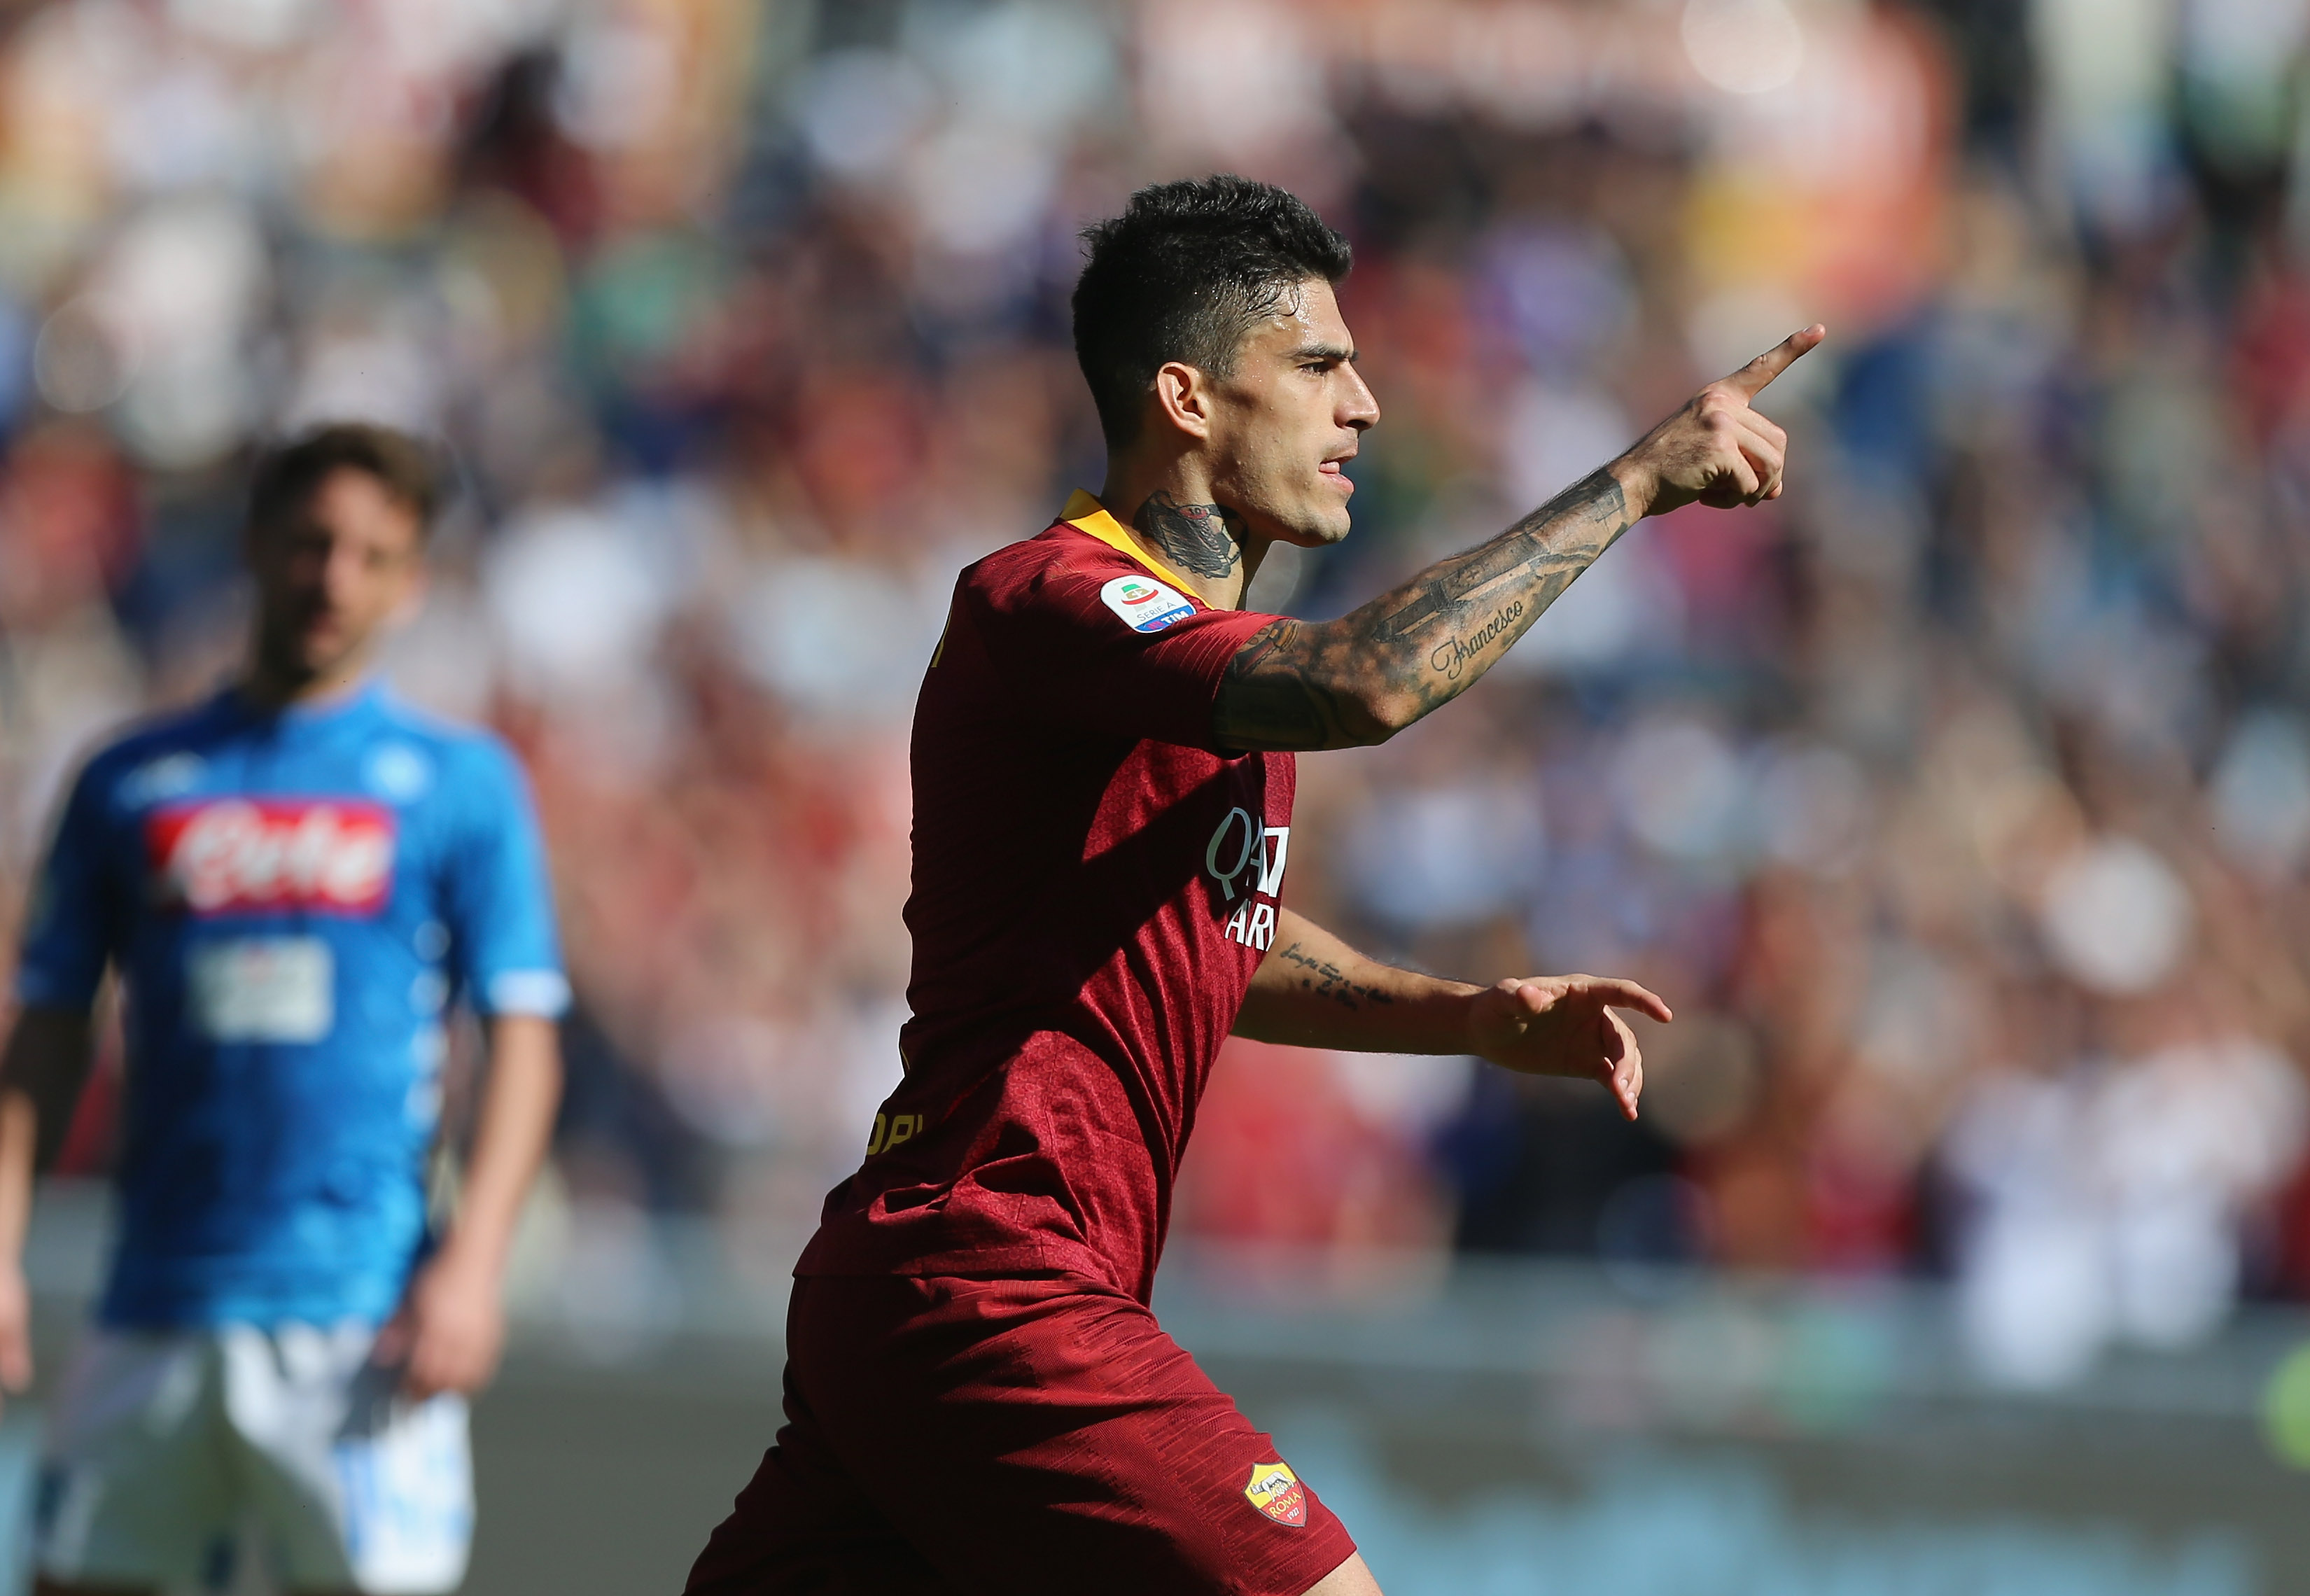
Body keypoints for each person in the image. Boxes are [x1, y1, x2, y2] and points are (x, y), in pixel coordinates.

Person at [685, 174, 1819, 1596]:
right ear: (1188, 396)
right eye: (1320, 366)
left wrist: (1465, 1017)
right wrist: (1636, 481)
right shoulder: (1052, 599)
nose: (1366, 409)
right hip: (991, 1274)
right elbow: (1377, 679)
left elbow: (1228, 943)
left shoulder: (1204, 692)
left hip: (938, 1291)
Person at [0, 424, 568, 1596]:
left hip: (357, 1318)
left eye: (371, 555)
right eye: (312, 543)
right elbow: (48, 1028)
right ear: (257, 546)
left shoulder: (460, 785)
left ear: (411, 588)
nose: (334, 578)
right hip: (154, 1295)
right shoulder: (128, 779)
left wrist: (474, 1267)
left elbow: (521, 1035)